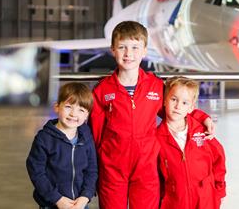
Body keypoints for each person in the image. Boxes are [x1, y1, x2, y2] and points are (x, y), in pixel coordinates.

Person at [89, 21, 214, 209]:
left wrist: (202, 117)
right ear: (113, 50)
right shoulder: (102, 90)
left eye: (135, 48)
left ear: (145, 51)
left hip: (146, 167)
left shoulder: (155, 86)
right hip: (112, 168)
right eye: (122, 47)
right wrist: (100, 165)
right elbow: (96, 134)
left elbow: (174, 110)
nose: (128, 54)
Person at [157, 76, 226, 209]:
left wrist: (219, 191)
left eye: (184, 103)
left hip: (205, 199)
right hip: (175, 202)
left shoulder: (202, 131)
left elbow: (219, 158)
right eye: (173, 99)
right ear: (165, 101)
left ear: (191, 108)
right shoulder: (157, 138)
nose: (177, 106)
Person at [26, 82, 98, 209]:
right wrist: (57, 199)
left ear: (86, 115)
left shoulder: (86, 136)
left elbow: (91, 170)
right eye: (69, 107)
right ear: (57, 107)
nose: (73, 114)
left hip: (80, 203)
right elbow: (37, 173)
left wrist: (85, 196)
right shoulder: (44, 139)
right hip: (52, 203)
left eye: (81, 110)